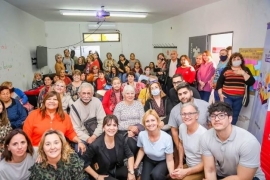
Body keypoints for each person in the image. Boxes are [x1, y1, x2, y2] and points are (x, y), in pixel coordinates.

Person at [201, 102, 265, 180]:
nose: (216, 119)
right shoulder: (205, 137)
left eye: (221, 115)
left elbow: (243, 178)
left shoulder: (249, 142)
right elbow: (210, 170)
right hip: (223, 176)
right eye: (213, 116)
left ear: (230, 119)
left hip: (250, 177)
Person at [82, 115, 135, 180]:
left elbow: (130, 155)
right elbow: (84, 162)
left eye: (114, 125)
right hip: (103, 174)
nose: (112, 128)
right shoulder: (95, 145)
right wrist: (97, 176)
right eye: (108, 125)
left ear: (117, 127)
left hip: (115, 169)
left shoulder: (120, 138)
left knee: (132, 173)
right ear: (103, 127)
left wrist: (131, 172)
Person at [168, 82, 209, 153]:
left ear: (191, 93)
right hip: (187, 149)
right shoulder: (174, 111)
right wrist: (179, 148)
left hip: (205, 146)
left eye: (185, 93)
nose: (183, 96)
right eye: (180, 94)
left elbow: (211, 126)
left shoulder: (205, 106)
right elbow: (174, 130)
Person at [134, 109, 174, 180]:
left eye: (153, 120)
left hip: (163, 161)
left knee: (156, 175)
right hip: (149, 159)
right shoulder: (142, 135)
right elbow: (141, 150)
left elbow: (170, 160)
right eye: (147, 121)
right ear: (144, 124)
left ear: (157, 121)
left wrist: (171, 173)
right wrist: (136, 164)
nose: (150, 123)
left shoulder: (167, 138)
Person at [216, 52, 255, 125]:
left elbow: (251, 82)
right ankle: (224, 128)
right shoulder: (226, 69)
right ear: (231, 60)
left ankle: (231, 129)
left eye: (238, 59)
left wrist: (243, 73)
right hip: (226, 96)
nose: (236, 60)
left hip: (239, 97)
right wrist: (220, 94)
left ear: (241, 60)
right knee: (226, 114)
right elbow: (219, 82)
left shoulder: (245, 69)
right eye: (234, 59)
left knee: (235, 115)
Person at [170, 103, 206, 180]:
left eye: (190, 113)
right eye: (183, 114)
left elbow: (206, 163)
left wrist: (186, 172)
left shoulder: (203, 135)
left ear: (197, 115)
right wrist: (180, 164)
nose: (186, 116)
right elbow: (180, 145)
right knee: (172, 177)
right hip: (188, 165)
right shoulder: (182, 127)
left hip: (201, 169)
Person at [113, 85, 144, 156]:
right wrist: (129, 128)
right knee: (131, 143)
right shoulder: (119, 106)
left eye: (132, 93)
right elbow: (115, 123)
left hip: (139, 130)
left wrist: (137, 129)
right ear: (124, 94)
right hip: (123, 131)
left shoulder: (139, 104)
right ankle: (132, 161)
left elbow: (143, 119)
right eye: (127, 93)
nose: (130, 95)